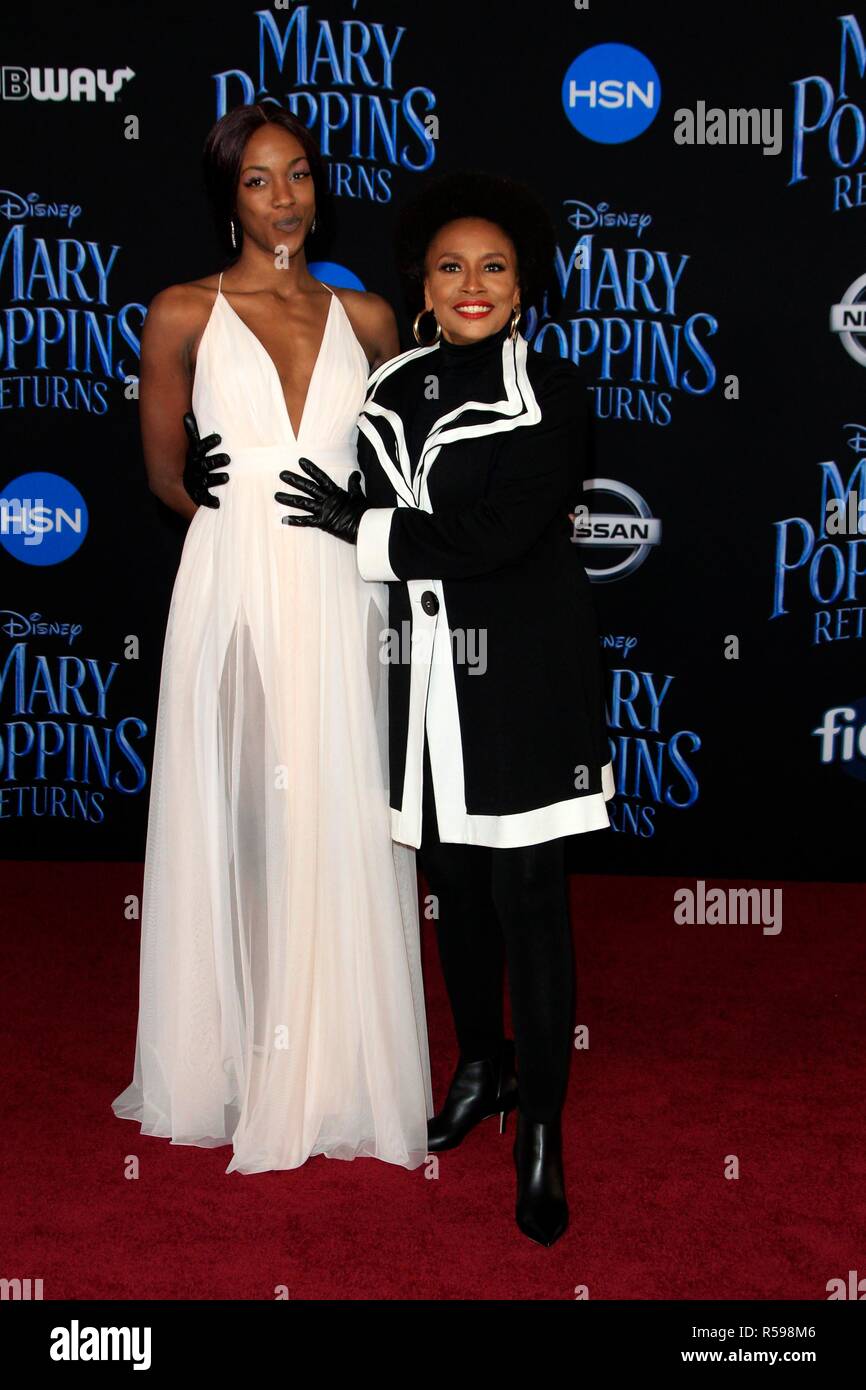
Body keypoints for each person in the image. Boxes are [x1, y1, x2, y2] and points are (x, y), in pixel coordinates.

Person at [275, 170, 614, 1244]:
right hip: (419, 677)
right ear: (420, 287)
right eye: (450, 267)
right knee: (452, 885)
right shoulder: (390, 388)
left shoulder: (551, 392)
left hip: (520, 681)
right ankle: (481, 1066)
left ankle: (544, 1131)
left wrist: (362, 530)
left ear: (523, 286)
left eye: (495, 266)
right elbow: (307, 460)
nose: (473, 284)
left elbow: (500, 538)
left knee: (528, 896)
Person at [111, 103, 432, 1173]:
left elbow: (407, 460)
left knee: (339, 807)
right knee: (245, 810)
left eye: (297, 174)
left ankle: (336, 1060)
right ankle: (243, 1055)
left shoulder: (374, 317)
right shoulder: (181, 313)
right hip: (236, 576)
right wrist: (206, 496)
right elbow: (163, 471)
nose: (284, 195)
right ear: (227, 195)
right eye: (258, 180)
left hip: (340, 584)